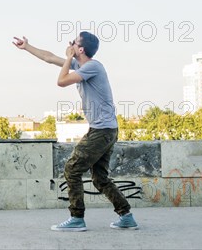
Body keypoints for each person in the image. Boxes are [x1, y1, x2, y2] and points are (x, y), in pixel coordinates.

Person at [13, 32, 138, 231]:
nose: (70, 44)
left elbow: (61, 81)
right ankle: (127, 216)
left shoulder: (93, 67)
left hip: (103, 130)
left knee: (72, 169)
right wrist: (27, 46)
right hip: (104, 129)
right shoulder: (81, 66)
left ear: (81, 49)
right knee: (100, 178)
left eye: (74, 43)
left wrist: (69, 56)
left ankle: (77, 218)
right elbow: (50, 57)